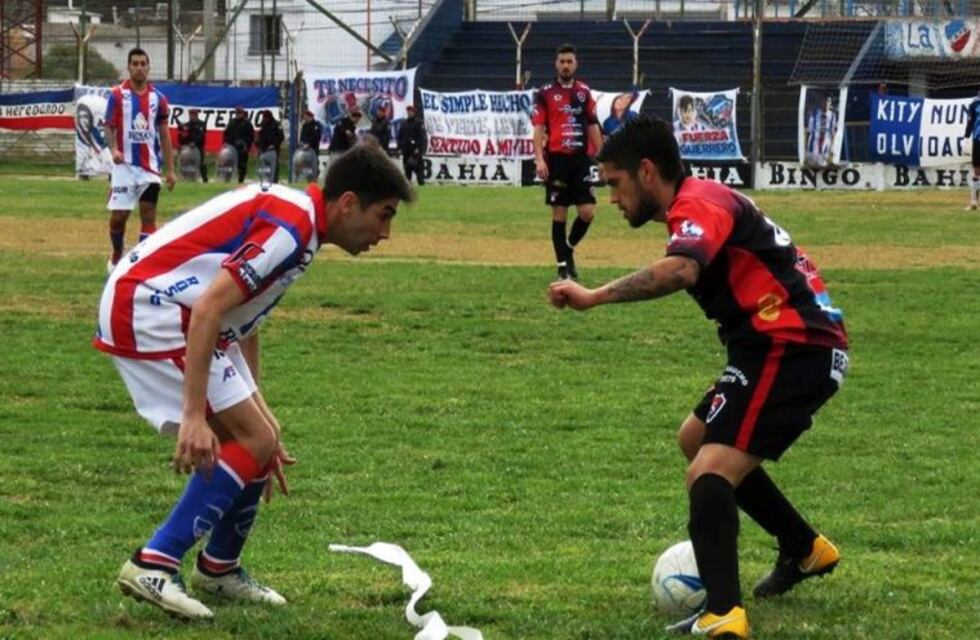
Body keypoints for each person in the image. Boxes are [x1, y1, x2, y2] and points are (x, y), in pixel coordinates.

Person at [548, 116, 849, 639]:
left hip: (793, 346)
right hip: (771, 345)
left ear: (646, 172)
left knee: (709, 472)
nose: (613, 200)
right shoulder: (699, 200)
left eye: (615, 184)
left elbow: (681, 270)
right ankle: (805, 548)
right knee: (695, 439)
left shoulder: (697, 203)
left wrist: (594, 296)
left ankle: (724, 615)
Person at [94, 142, 414, 620]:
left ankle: (219, 568)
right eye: (384, 215)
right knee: (254, 436)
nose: (385, 233)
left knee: (264, 436)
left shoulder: (301, 224)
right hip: (149, 310)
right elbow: (208, 308)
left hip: (177, 310)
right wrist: (193, 415)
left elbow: (244, 315)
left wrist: (256, 412)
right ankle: (154, 562)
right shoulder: (292, 230)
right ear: (348, 203)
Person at [532, 43, 603, 281]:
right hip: (557, 160)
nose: (565, 65)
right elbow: (539, 128)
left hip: (580, 161)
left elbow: (593, 125)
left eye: (569, 61)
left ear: (576, 64)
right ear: (556, 64)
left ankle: (569, 248)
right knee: (559, 214)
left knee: (587, 212)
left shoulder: (583, 92)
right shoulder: (545, 93)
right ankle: (562, 267)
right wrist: (540, 160)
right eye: (562, 61)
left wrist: (602, 159)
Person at [104, 47, 176, 271]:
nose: (139, 67)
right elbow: (108, 127)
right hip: (124, 166)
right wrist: (114, 149)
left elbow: (164, 135)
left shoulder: (159, 99)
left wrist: (171, 170)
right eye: (135, 64)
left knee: (148, 215)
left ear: (148, 67)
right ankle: (117, 253)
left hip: (149, 169)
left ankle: (141, 265)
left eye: (143, 63)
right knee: (119, 217)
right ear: (128, 67)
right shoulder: (117, 95)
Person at [804, 95, 839, 168]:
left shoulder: (833, 115)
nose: (826, 103)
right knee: (811, 167)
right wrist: (804, 147)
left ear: (830, 103)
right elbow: (808, 131)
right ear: (821, 102)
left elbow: (833, 132)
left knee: (823, 167)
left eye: (828, 101)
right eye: (824, 101)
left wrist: (833, 147)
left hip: (826, 145)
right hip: (813, 145)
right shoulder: (814, 114)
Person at [397, 104, 427, 185]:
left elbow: (421, 137)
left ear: (414, 112)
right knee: (407, 174)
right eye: (408, 111)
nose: (409, 113)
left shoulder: (418, 123)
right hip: (406, 151)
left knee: (419, 172)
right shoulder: (404, 123)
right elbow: (400, 136)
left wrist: (419, 149)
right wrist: (400, 147)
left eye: (411, 111)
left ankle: (422, 186)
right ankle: (409, 191)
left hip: (415, 152)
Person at [224, 106, 255, 183]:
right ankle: (228, 179)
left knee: (242, 166)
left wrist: (247, 147)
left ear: (243, 114)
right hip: (232, 147)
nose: (238, 115)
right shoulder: (232, 122)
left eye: (239, 113)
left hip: (242, 148)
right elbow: (226, 134)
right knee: (229, 164)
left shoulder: (247, 123)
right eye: (237, 113)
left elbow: (251, 136)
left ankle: (241, 180)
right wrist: (227, 143)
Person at [177, 108, 208, 183]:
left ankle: (205, 179)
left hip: (198, 146)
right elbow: (181, 134)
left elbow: (200, 135)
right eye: (191, 115)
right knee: (188, 163)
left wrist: (194, 142)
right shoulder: (187, 124)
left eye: (193, 115)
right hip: (189, 148)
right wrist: (182, 130)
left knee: (201, 163)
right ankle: (187, 178)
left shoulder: (201, 124)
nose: (192, 116)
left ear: (196, 115)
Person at [256, 110, 285, 184]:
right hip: (264, 149)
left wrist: (274, 145)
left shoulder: (277, 124)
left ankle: (274, 181)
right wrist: (258, 144)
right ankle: (265, 180)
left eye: (265, 118)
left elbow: (281, 137)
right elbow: (261, 135)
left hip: (273, 150)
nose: (264, 119)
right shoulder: (264, 124)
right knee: (264, 166)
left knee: (274, 167)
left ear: (269, 117)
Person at [963, 89, 980, 210]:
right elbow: (970, 122)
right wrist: (966, 137)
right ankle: (974, 202)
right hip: (978, 140)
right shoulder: (975, 103)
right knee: (977, 170)